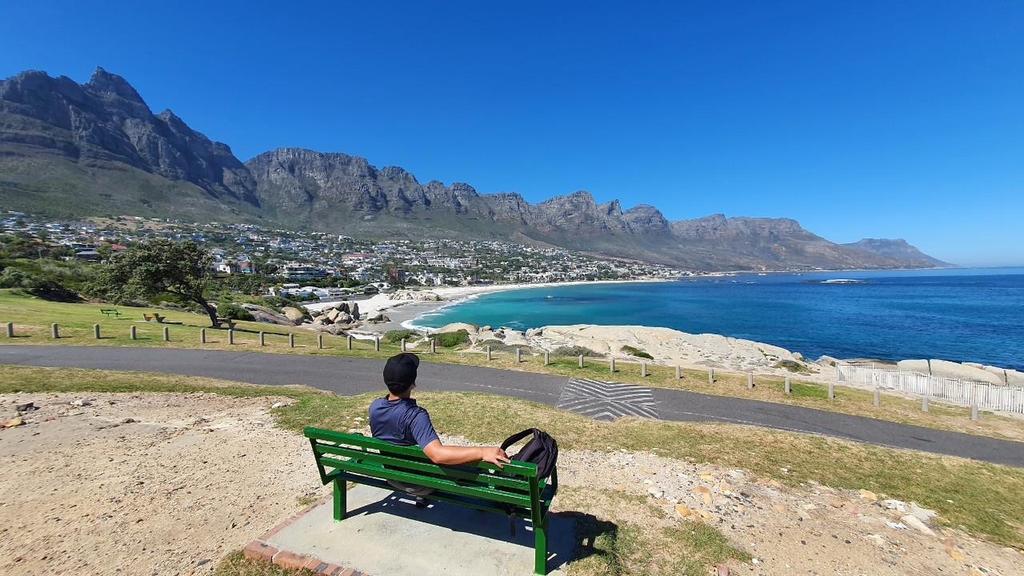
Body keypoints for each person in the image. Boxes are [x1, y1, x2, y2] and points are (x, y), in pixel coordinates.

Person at [369, 352, 510, 495]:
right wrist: (482, 451)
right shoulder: (416, 416)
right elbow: (437, 455)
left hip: (392, 475)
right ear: (413, 383)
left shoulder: (375, 406)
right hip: (418, 483)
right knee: (477, 468)